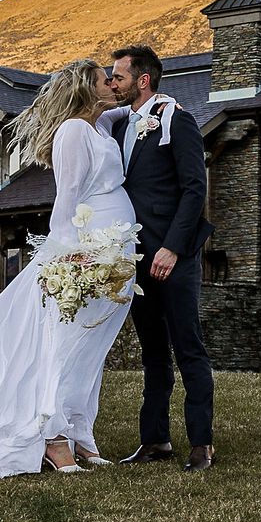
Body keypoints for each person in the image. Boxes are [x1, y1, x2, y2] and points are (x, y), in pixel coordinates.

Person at [0, 59, 138, 476]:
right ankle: (52, 436)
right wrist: (69, 257)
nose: (114, 84)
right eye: (108, 80)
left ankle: (80, 432)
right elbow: (65, 198)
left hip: (117, 246)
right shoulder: (73, 131)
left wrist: (155, 103)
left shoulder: (99, 124)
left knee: (91, 349)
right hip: (88, 248)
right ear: (88, 90)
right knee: (64, 345)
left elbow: (131, 106)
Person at [105, 45, 217, 472]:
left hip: (175, 256)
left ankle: (201, 443)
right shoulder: (119, 126)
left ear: (143, 80)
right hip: (135, 258)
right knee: (153, 352)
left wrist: (172, 247)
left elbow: (195, 188)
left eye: (118, 76)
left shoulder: (176, 119)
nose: (112, 83)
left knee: (188, 347)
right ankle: (155, 441)